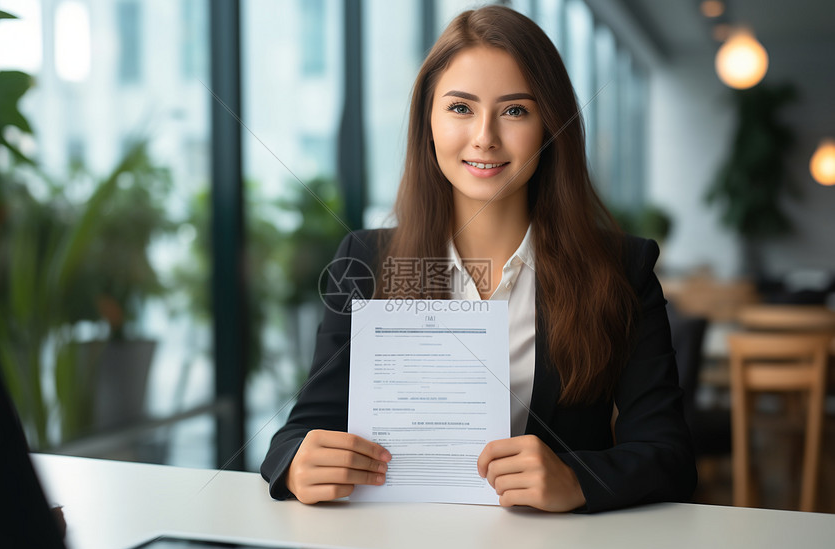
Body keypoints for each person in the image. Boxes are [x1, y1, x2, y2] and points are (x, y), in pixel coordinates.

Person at [261, 5, 696, 513]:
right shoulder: (366, 261)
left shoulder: (621, 268)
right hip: (401, 544)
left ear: (550, 127)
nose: (485, 136)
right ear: (429, 121)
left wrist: (576, 479)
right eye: (460, 108)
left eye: (515, 111)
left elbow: (670, 457)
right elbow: (300, 430)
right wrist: (297, 462)